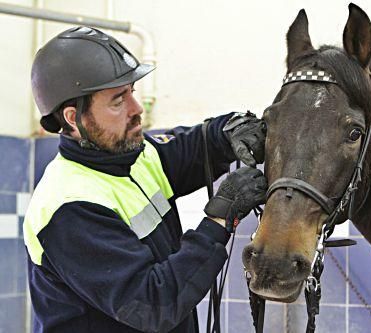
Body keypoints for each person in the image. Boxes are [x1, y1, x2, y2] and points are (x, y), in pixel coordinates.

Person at [24, 26, 268, 333]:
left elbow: (192, 147)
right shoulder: (68, 208)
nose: (136, 109)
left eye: (132, 93)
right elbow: (152, 304)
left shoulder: (134, 155)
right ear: (74, 118)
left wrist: (229, 130)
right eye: (117, 101)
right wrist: (219, 220)